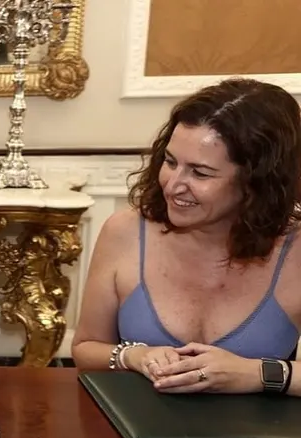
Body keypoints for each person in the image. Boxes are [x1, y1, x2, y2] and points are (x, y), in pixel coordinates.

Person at [72, 78, 301, 397]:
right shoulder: (124, 231)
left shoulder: (295, 248)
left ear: (257, 182)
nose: (172, 184)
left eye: (201, 173)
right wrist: (135, 356)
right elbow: (85, 347)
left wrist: (255, 373)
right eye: (170, 162)